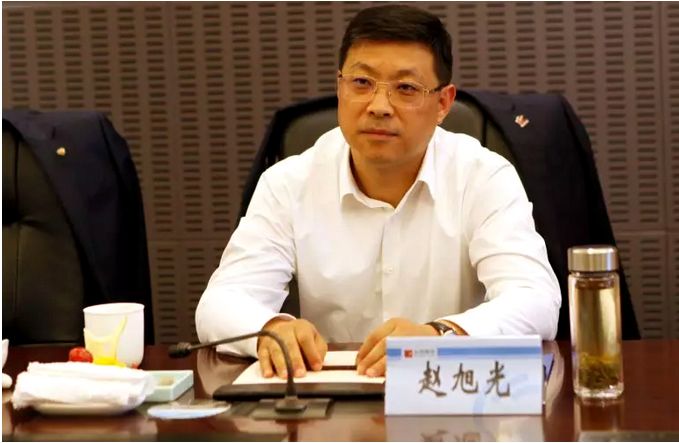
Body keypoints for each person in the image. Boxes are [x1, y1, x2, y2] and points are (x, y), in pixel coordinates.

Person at [195, 4, 560, 379]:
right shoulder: (288, 184)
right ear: (340, 88)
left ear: (443, 103)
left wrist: (441, 335)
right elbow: (221, 303)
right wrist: (270, 328)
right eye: (361, 83)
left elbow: (535, 299)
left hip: (446, 395)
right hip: (332, 399)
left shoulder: (484, 178)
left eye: (406, 88)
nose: (379, 106)